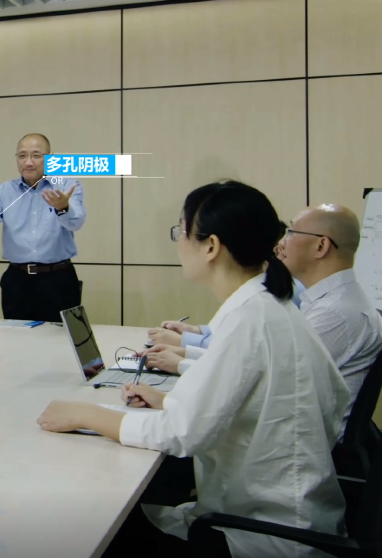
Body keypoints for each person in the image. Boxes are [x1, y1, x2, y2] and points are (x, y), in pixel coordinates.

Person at [36, 181, 350, 557]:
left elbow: (182, 434)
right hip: (272, 511)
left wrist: (86, 414)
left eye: (181, 232)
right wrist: (167, 401)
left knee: (90, 524)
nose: (179, 243)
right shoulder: (266, 306)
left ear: (211, 246)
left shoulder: (251, 318)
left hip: (268, 533)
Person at [144, 204, 382, 404]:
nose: (281, 244)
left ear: (321, 246)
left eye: (291, 233)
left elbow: (265, 383)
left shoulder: (334, 313)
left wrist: (181, 368)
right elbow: (262, 366)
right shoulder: (329, 300)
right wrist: (188, 354)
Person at [0, 133, 84, 322]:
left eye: (36, 155)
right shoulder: (5, 190)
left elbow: (76, 222)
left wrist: (63, 207)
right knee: (16, 338)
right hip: (17, 281)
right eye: (22, 156)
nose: (28, 162)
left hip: (58, 279)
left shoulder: (67, 186)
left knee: (59, 338)